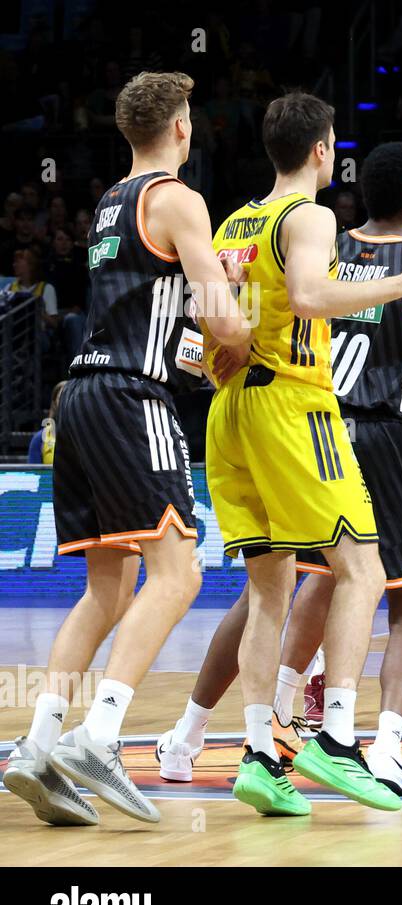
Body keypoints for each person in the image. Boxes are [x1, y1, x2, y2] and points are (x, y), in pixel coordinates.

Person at [157, 144, 402, 799]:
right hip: (387, 438)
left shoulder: (325, 253)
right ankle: (378, 744)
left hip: (309, 425)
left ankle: (201, 731)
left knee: (271, 589)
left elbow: (229, 331)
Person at [3, 72, 250, 827]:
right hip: (127, 397)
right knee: (178, 571)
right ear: (180, 127)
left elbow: (163, 304)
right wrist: (238, 318)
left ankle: (38, 746)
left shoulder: (112, 201)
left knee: (106, 590)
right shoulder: (180, 198)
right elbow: (225, 325)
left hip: (74, 400)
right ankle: (100, 735)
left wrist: (210, 292)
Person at [199, 92, 402, 815]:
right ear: (320, 151)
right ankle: (337, 739)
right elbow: (309, 295)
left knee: (271, 590)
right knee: (362, 567)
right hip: (292, 405)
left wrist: (230, 349)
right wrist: (398, 283)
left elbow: (207, 325)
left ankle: (256, 756)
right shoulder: (308, 216)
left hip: (231, 410)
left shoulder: (237, 221)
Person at [27, 380, 67, 465]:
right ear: (54, 403)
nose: (65, 401)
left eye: (69, 397)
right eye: (61, 398)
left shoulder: (85, 437)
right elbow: (34, 474)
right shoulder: (39, 439)